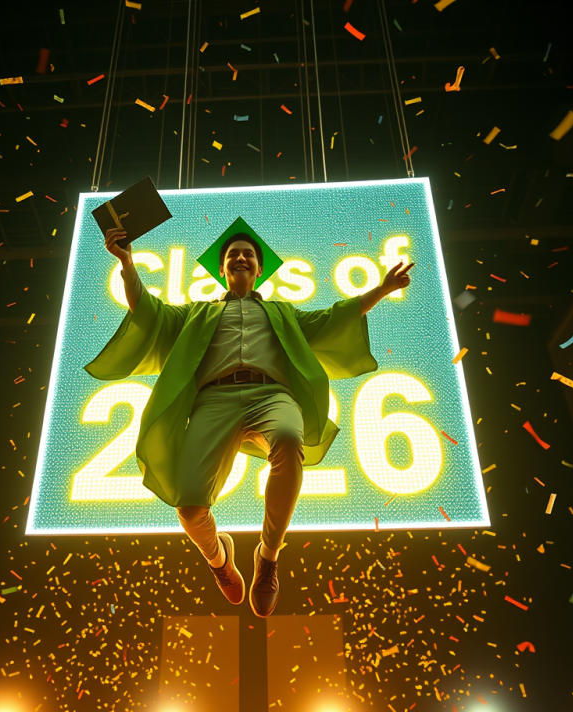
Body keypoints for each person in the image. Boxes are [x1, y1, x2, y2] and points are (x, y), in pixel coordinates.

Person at [84, 217, 412, 618]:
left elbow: (334, 317)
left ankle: (268, 556)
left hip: (271, 395)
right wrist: (127, 263)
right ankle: (220, 559)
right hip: (214, 401)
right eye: (233, 255)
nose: (241, 257)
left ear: (258, 270)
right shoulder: (196, 314)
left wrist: (382, 289)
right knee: (188, 509)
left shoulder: (282, 312)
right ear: (222, 269)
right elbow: (148, 311)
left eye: (249, 255)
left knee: (290, 442)